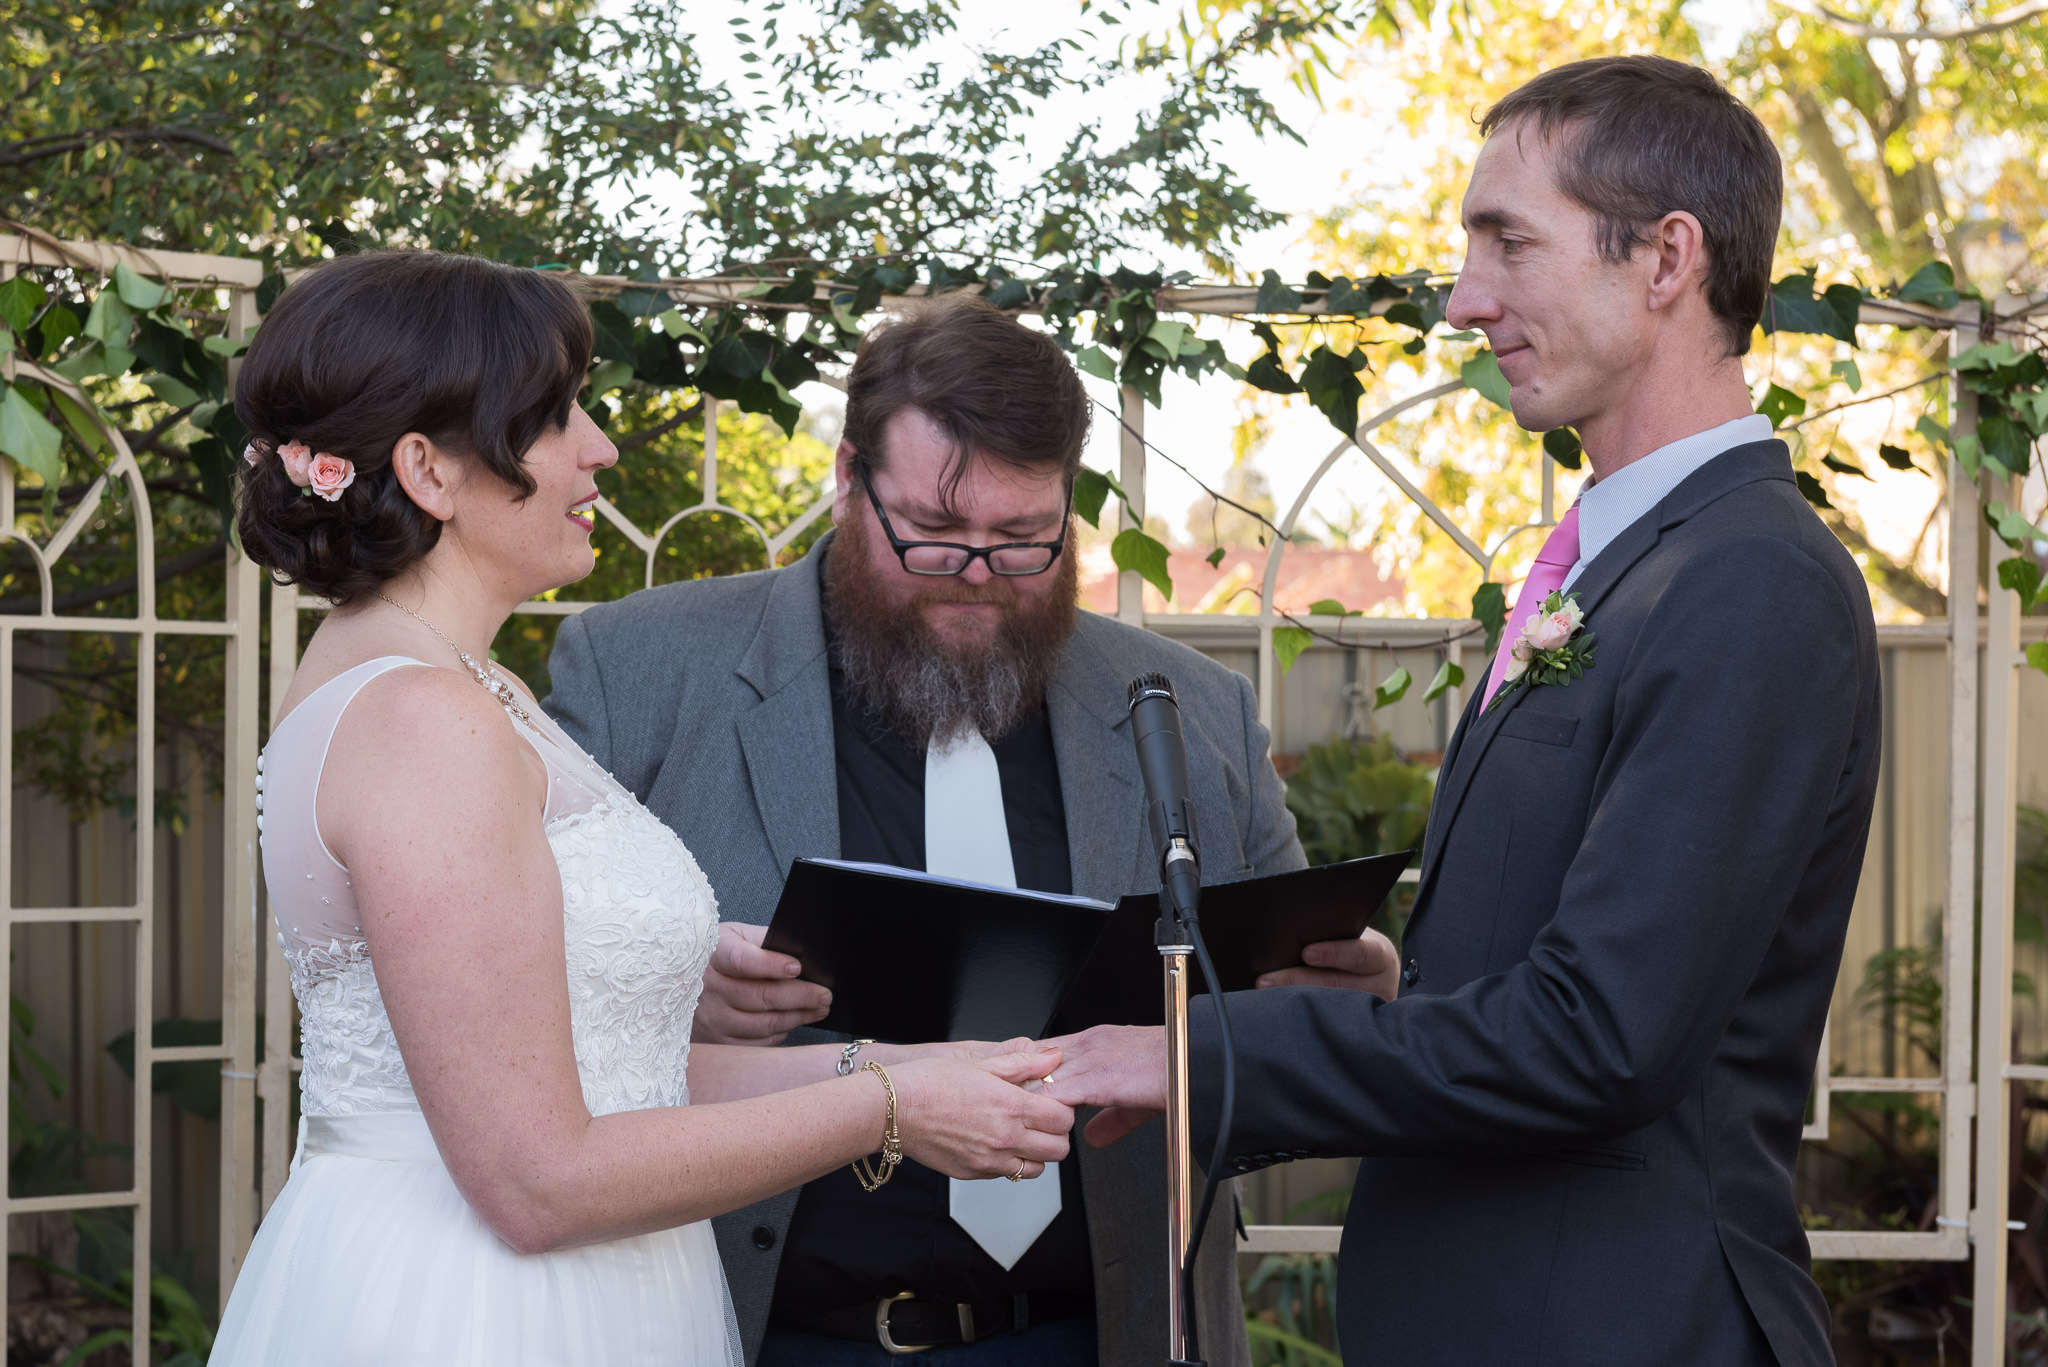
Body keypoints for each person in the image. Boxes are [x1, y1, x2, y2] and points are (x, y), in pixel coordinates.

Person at [1045, 55, 1881, 1367]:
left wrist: (1202, 1049)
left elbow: (1602, 1038)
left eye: (1509, 244)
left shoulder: (1751, 580)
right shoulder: (1620, 561)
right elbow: (1568, 967)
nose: (1463, 299)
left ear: (1667, 259)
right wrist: (1407, 983)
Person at [211, 251, 1076, 1367]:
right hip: (480, 1312)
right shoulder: (426, 716)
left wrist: (896, 1064)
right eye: (556, 414)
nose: (599, 446)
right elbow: (536, 1178)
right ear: (428, 469)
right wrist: (886, 1106)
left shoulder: (468, 687)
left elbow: (609, 1076)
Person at [543, 293, 1401, 1367]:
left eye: (1020, 539)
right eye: (936, 535)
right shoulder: (639, 674)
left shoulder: (1189, 706)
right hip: (763, 1332)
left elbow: (1270, 1041)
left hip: (1099, 1335)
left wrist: (1343, 1003)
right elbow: (512, 1013)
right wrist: (673, 994)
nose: (979, 575)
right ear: (848, 478)